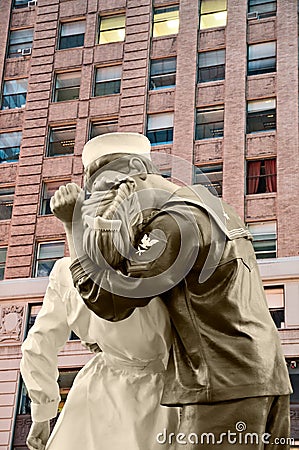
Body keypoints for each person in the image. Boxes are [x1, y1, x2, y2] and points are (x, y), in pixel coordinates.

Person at [53, 132, 292, 450]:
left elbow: (109, 302)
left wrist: (75, 225)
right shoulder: (214, 208)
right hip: (265, 376)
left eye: (107, 185)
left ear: (137, 170)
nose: (103, 200)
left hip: (221, 388)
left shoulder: (174, 223)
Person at [20, 154, 179, 449]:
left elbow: (38, 346)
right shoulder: (162, 262)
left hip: (97, 397)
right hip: (164, 399)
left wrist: (42, 415)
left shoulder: (64, 273)